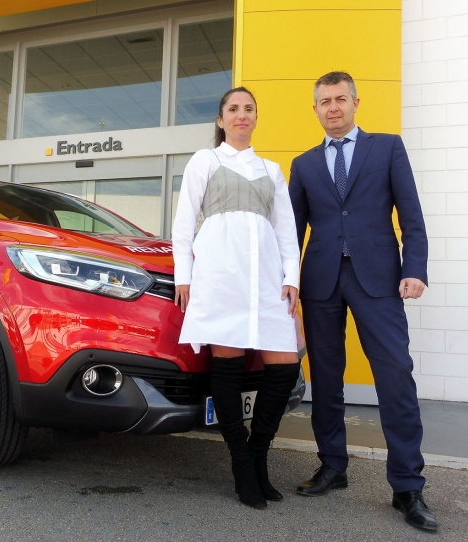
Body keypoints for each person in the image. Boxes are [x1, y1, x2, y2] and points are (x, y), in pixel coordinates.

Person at [288, 71, 438, 532]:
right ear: (314, 109)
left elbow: (410, 213)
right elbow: (290, 232)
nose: (332, 107)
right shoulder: (304, 163)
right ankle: (333, 466)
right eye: (324, 101)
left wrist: (415, 268)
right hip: (321, 282)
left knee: (395, 376)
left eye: (340, 99)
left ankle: (408, 486)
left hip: (380, 280)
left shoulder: (388, 147)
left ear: (355, 102)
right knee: (326, 380)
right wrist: (285, 283)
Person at [172, 87, 301, 509]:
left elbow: (286, 231)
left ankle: (258, 453)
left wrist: (292, 278)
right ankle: (241, 463)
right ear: (221, 119)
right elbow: (184, 221)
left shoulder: (271, 169)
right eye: (233, 109)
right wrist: (183, 277)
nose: (241, 115)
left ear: (256, 118)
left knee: (284, 362)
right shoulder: (205, 160)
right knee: (226, 362)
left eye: (249, 109)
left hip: (265, 282)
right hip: (221, 276)